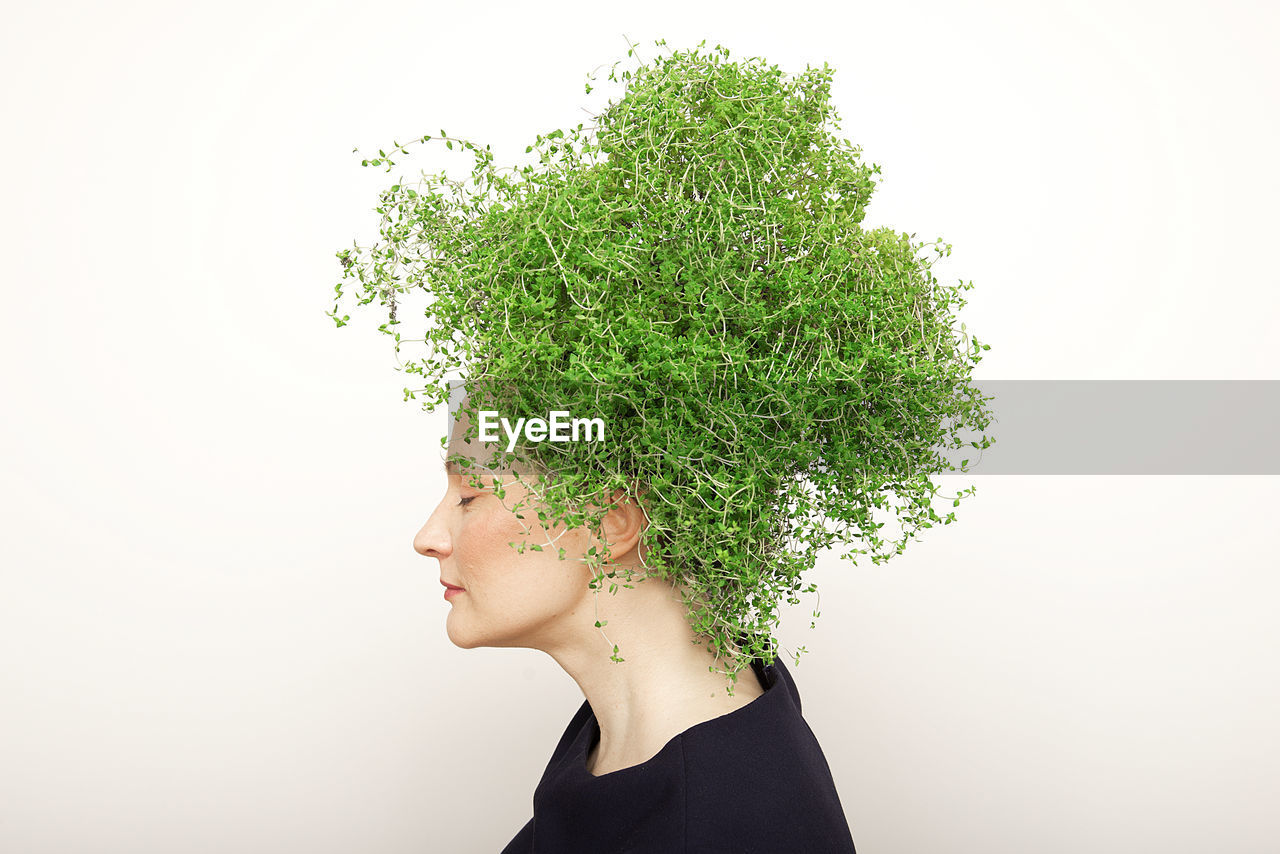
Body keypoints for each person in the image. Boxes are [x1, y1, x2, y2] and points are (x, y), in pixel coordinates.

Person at [412, 411, 858, 853]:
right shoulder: (630, 732)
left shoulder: (719, 824)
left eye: (469, 495)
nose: (427, 538)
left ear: (610, 521)